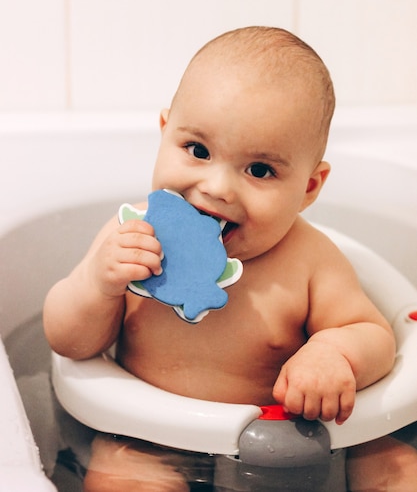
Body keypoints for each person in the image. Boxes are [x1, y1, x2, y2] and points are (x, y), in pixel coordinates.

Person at [44, 26, 403, 491]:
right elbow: (70, 341)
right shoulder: (131, 238)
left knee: (393, 468)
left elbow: (374, 334)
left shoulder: (310, 260)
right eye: (197, 150)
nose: (216, 188)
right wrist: (97, 284)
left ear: (309, 187)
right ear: (164, 132)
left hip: (294, 441)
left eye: (259, 170)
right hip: (151, 435)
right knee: (120, 475)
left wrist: (334, 353)